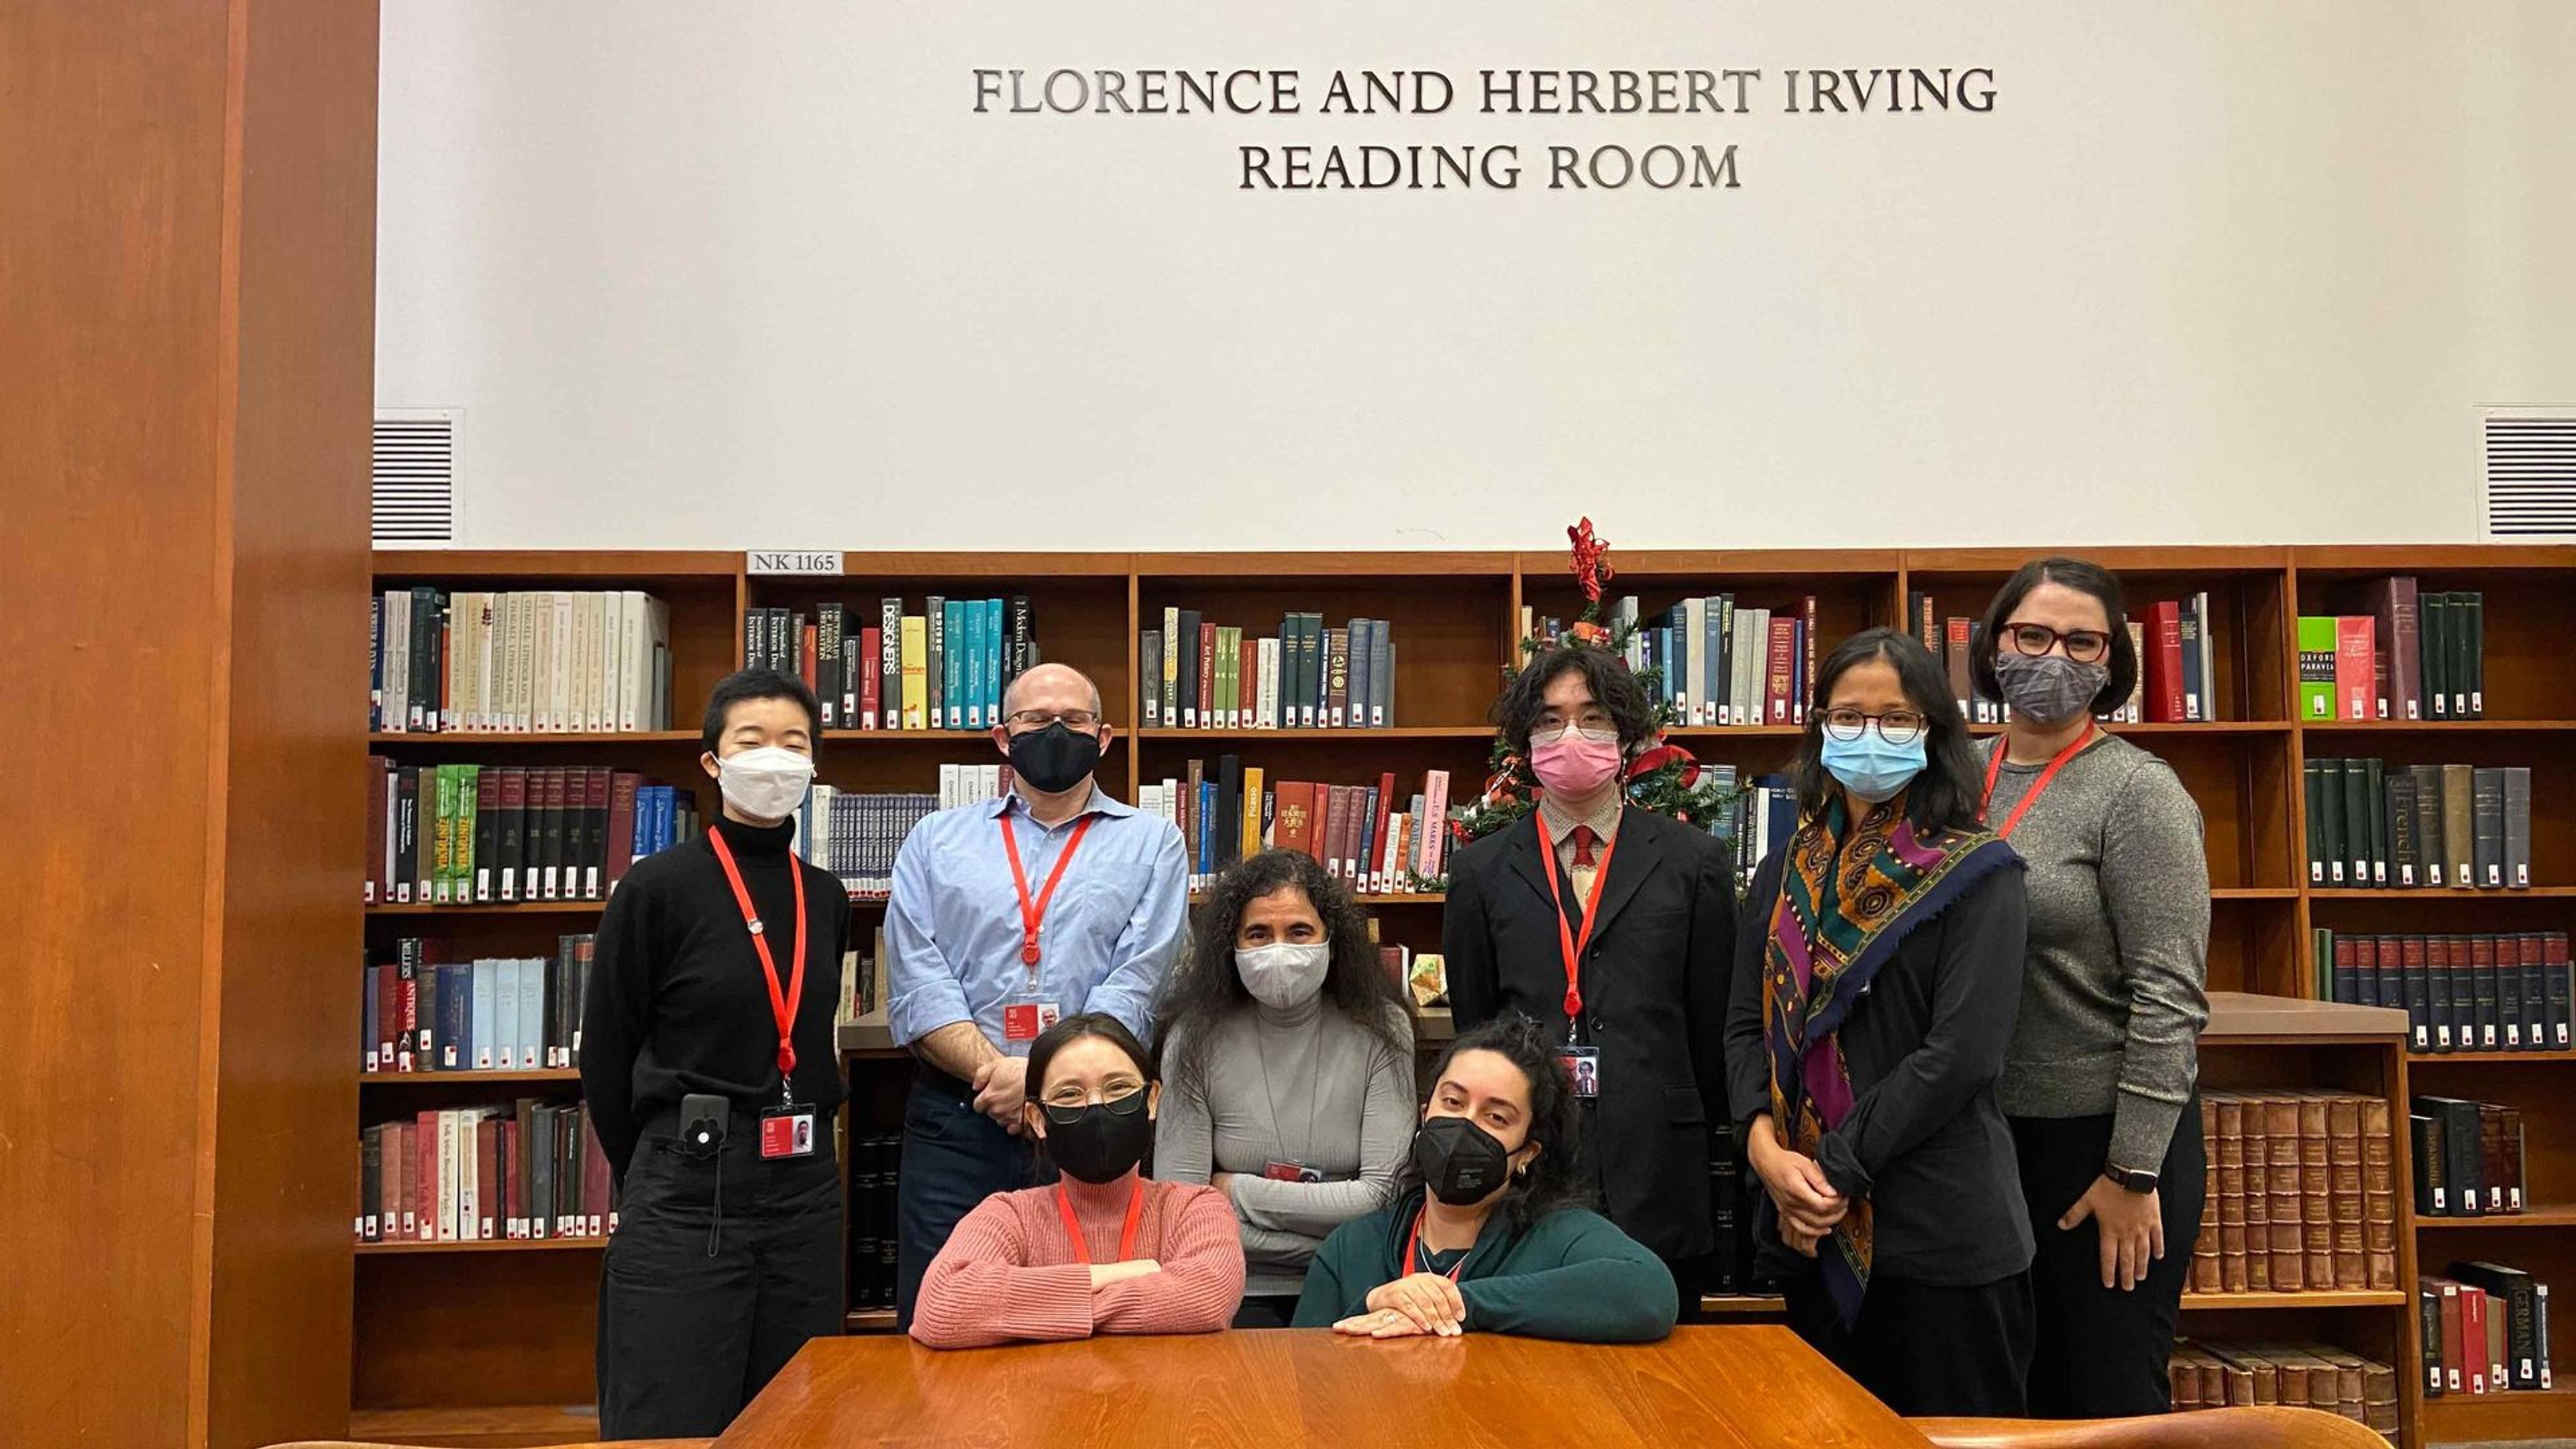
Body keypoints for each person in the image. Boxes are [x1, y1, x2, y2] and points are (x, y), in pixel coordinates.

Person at [1725, 628, 2036, 1416]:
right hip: (1804, 1231)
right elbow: (1740, 1029)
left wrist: (1829, 1170)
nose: (1871, 735)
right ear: (1819, 727)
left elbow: (1961, 1056)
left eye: (1897, 718)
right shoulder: (1784, 868)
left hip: (1938, 1239)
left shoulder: (1979, 873)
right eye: (1848, 715)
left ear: (1933, 732)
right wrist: (1766, 1155)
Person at [582, 668, 851, 1438]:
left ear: (814, 764)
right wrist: (658, 1171)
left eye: (793, 743)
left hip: (803, 1187)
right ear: (712, 762)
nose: (775, 759)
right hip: (689, 1185)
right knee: (670, 1418)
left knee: (798, 1415)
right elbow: (607, 1051)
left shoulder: (824, 896)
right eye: (752, 741)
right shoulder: (657, 888)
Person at [1972, 557, 2212, 1417]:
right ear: (1994, 642)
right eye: (2032, 635)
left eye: (2082, 641)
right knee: (2004, 1395)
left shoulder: (2139, 794)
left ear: (2113, 663)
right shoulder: (1957, 777)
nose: (2053, 657)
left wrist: (2133, 1172)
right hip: (1982, 1138)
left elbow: (2171, 995)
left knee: (2100, 1397)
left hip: (2098, 1149)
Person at [883, 662, 1189, 1327]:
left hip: (1093, 1121)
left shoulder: (1153, 844)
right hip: (959, 1118)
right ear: (1001, 737)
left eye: (1074, 719)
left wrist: (1046, 1083)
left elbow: (1139, 981)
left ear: (1104, 738)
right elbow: (918, 978)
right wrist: (1001, 1077)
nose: (1055, 730)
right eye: (1033, 719)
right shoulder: (936, 842)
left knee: (1092, 1310)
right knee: (946, 1315)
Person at [1442, 640, 1735, 1313]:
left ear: (1626, 736)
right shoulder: (1481, 872)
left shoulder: (1696, 863)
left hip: (1660, 1161)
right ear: (1524, 743)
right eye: (1549, 720)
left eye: (1593, 717)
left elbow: (1713, 1020)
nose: (1570, 735)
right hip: (1528, 1165)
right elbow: (1477, 1028)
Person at [1291, 1016, 1678, 1342]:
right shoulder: (1353, 1246)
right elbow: (1305, 1371)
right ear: (1425, 1114)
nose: (1464, 1125)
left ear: (1527, 1153)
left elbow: (1649, 1292)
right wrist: (1377, 1302)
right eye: (1453, 1102)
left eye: (1496, 1117)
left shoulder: (1559, 1234)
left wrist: (1461, 1304)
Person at [1153, 848, 1416, 1326]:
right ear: (1230, 946)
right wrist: (1331, 1227)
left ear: (1331, 940)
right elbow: (1181, 1211)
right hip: (1227, 1285)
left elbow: (1382, 1199)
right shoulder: (1192, 1039)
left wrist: (1235, 1193)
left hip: (1356, 1286)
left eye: (1299, 932)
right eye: (1258, 934)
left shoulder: (1384, 1031)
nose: (1279, 950)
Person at [909, 1013, 1246, 1347]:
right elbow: (942, 1306)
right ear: (1037, 1119)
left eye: (1118, 1088)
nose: (1097, 1106)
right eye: (1070, 1095)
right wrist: (1114, 1275)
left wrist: (1035, 1310)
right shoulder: (1008, 1215)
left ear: (1152, 1099)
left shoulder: (1195, 1207)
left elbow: (1208, 1297)